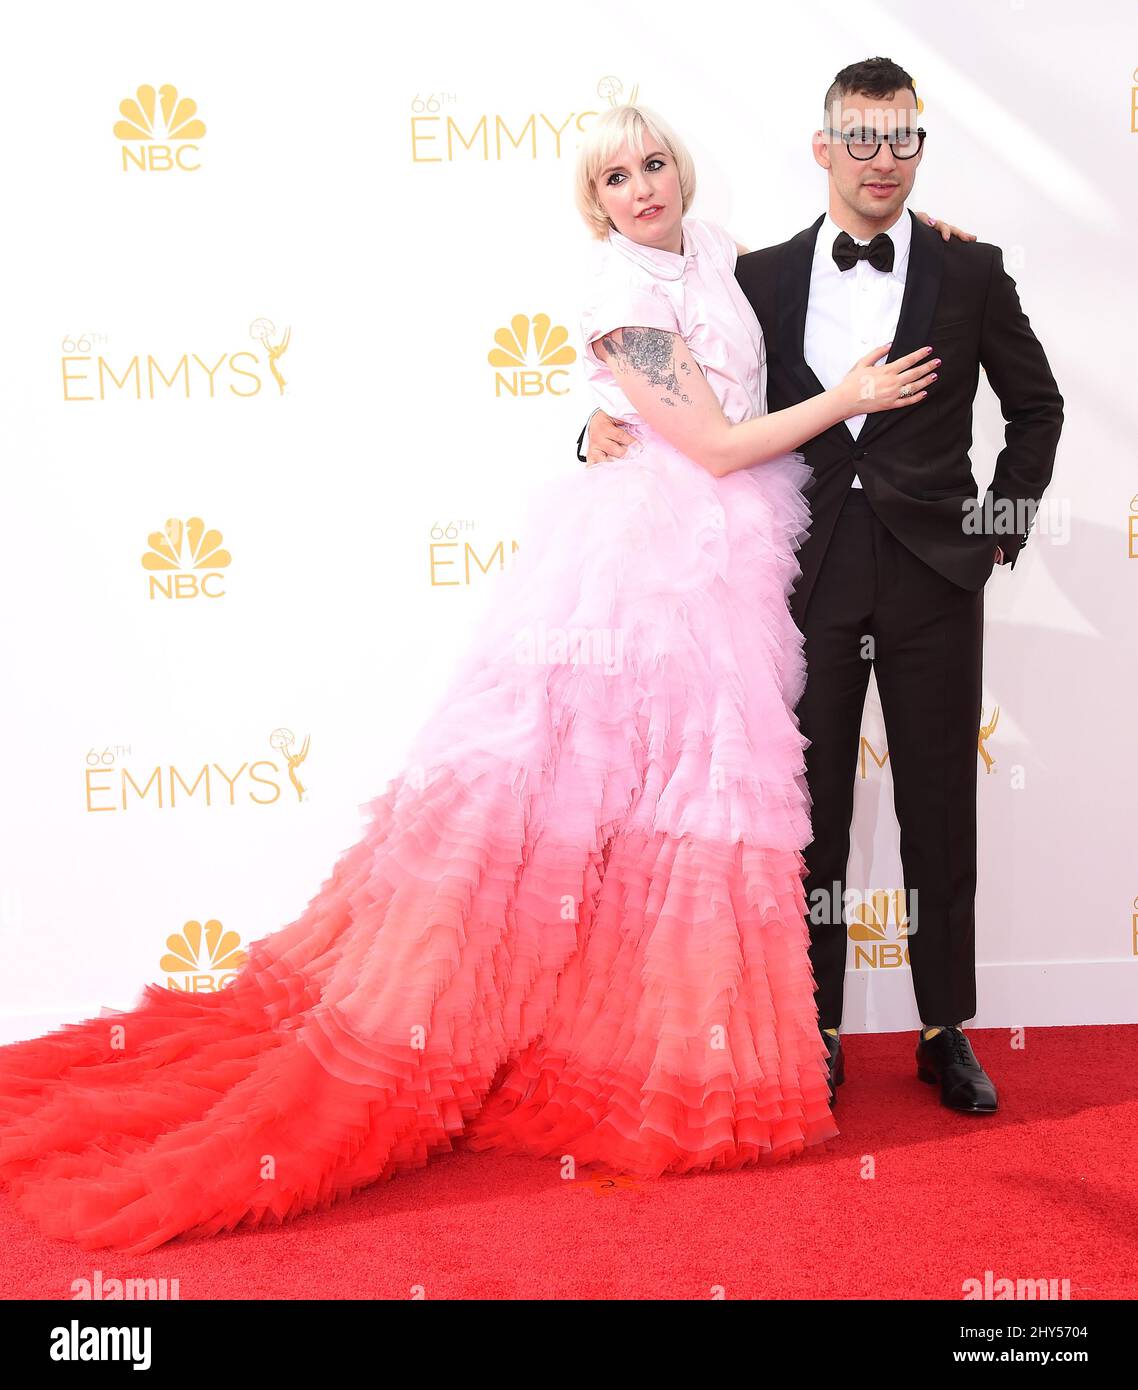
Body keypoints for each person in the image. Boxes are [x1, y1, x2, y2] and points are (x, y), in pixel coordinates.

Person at [0, 102, 938, 1258]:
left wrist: (920, 240)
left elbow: (785, 290)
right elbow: (710, 441)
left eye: (652, 164)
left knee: (680, 817)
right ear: (589, 201)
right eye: (614, 178)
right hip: (637, 571)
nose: (641, 187)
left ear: (677, 170)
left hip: (732, 568)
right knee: (562, 810)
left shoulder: (713, 246)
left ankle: (642, 1050)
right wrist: (849, 397)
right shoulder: (616, 302)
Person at [582, 57, 1064, 1113]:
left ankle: (946, 1030)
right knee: (813, 821)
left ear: (918, 151)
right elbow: (660, 361)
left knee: (942, 809)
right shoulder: (753, 275)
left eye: (901, 140)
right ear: (823, 147)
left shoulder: (968, 273)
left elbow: (1038, 410)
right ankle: (818, 1026)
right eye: (860, 138)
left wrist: (995, 530)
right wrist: (583, 422)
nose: (879, 160)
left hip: (938, 574)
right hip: (801, 581)